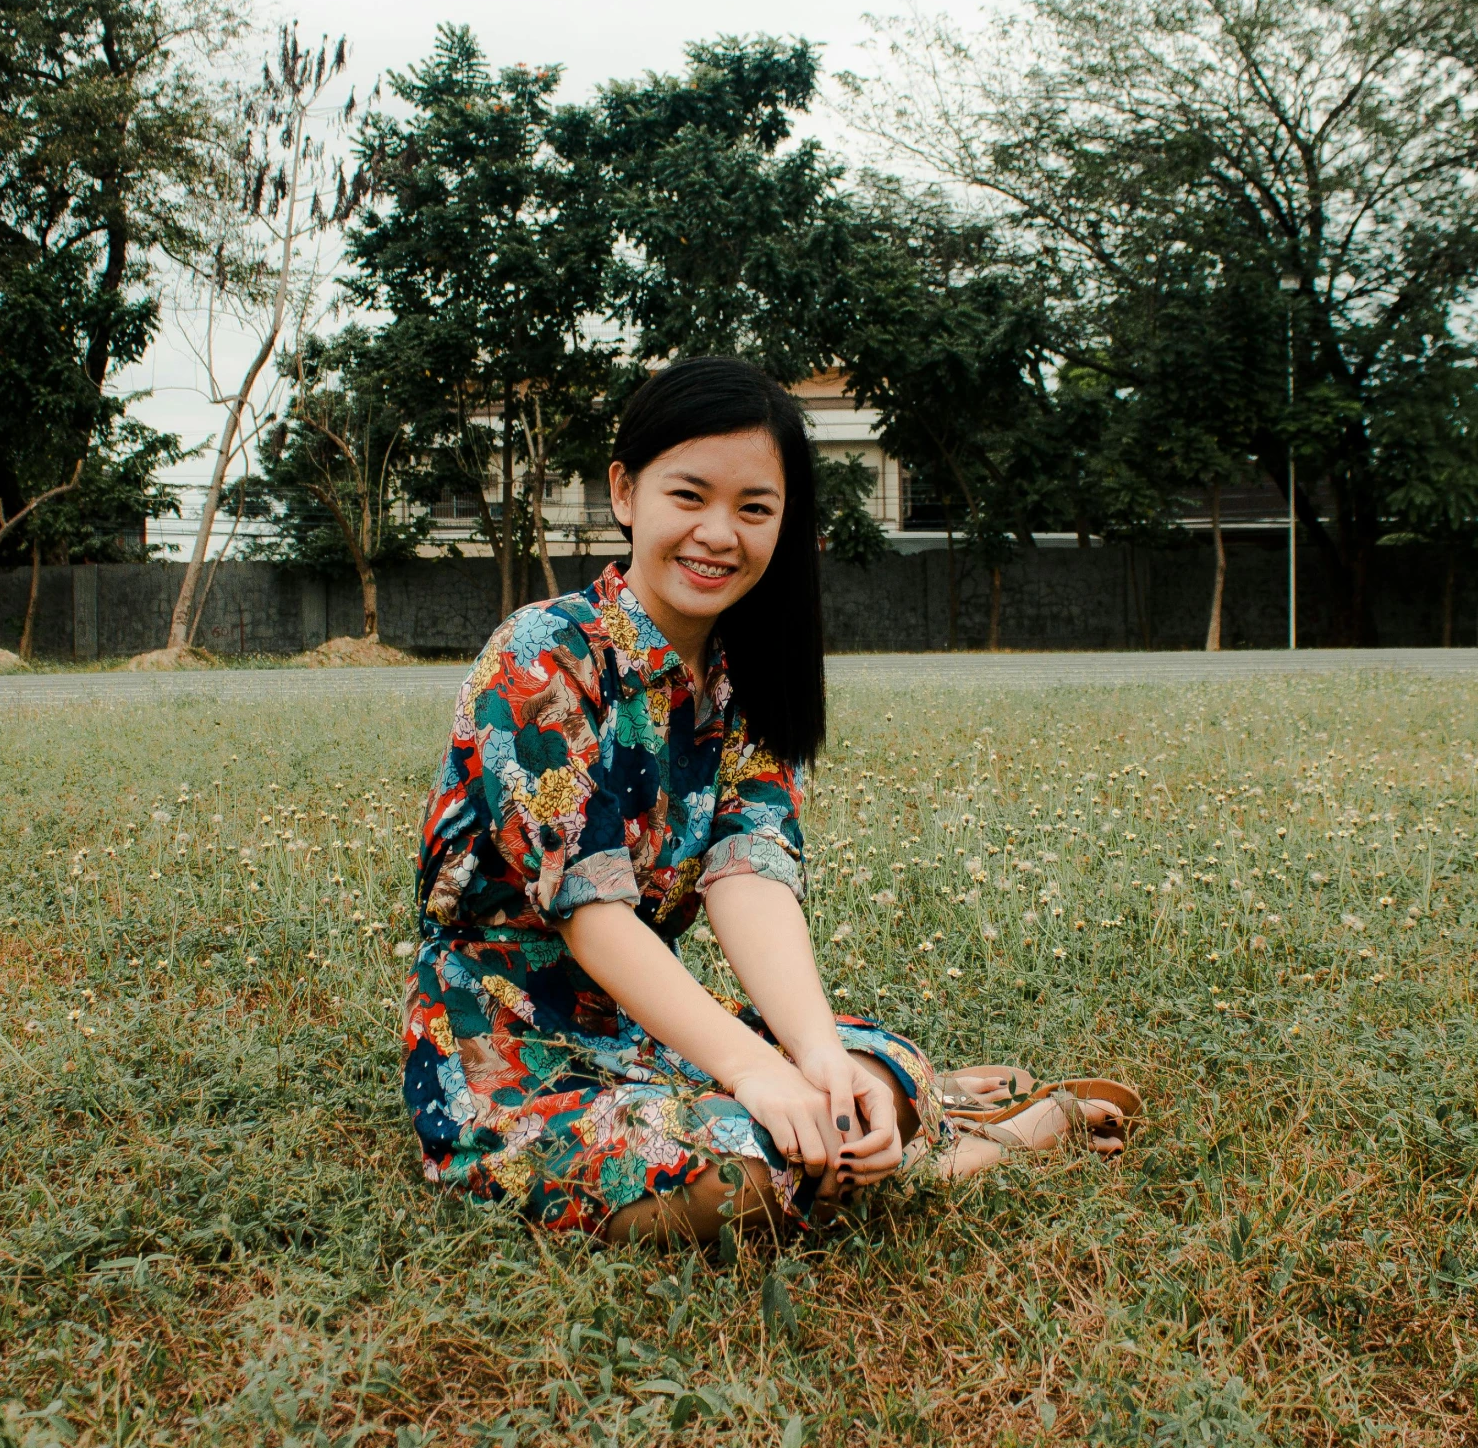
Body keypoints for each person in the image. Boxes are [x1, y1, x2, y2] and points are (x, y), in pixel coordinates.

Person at [400, 357, 1134, 1244]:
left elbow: (750, 877)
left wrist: (818, 1062)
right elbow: (592, 915)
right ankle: (978, 1145)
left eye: (754, 508)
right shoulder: (540, 656)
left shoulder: (742, 681)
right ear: (625, 492)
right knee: (747, 1166)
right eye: (689, 495)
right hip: (508, 1054)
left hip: (649, 1033)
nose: (719, 533)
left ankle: (908, 1104)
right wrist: (754, 1069)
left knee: (861, 1075)